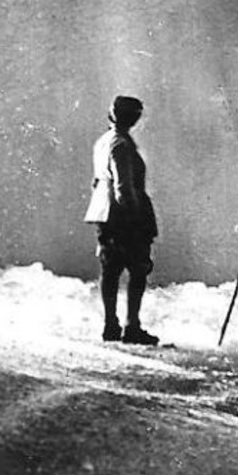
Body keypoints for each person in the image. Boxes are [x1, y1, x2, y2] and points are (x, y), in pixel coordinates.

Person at [84, 95, 159, 345]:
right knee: (138, 268)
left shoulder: (103, 141)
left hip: (103, 212)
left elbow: (96, 181)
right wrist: (136, 218)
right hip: (124, 212)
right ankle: (132, 325)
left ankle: (110, 325)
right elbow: (123, 187)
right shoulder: (122, 145)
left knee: (110, 269)